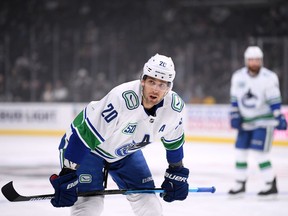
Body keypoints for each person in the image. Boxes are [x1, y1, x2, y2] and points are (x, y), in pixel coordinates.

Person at [49, 53, 189, 216]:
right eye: (151, 82)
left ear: (169, 88)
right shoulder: (120, 99)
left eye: (162, 84)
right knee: (89, 207)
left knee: (151, 207)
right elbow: (84, 137)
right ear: (142, 80)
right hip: (89, 150)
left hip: (124, 152)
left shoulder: (174, 108)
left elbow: (174, 142)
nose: (156, 89)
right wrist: (68, 172)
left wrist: (176, 170)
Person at [228, 46, 287, 197]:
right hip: (245, 122)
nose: (254, 63)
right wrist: (235, 115)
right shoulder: (238, 77)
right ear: (246, 61)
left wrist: (278, 116)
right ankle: (240, 183)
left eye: (257, 60)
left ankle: (270, 184)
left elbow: (274, 100)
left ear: (261, 61)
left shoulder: (269, 77)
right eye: (251, 60)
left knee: (259, 153)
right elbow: (234, 99)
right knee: (240, 153)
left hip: (264, 122)